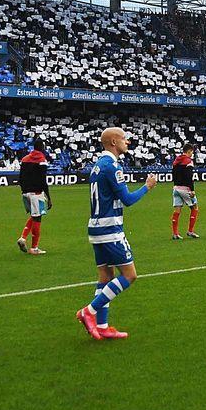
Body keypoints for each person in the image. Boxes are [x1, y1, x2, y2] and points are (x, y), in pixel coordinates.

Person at [75, 127, 158, 340]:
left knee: (105, 276)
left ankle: (102, 326)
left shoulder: (97, 166)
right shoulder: (112, 166)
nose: (127, 142)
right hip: (110, 228)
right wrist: (147, 187)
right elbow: (128, 200)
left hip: (95, 227)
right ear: (113, 141)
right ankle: (89, 311)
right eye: (124, 138)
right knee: (130, 275)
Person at [16, 139, 52, 255]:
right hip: (36, 193)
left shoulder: (25, 159)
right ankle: (34, 248)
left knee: (34, 215)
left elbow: (20, 178)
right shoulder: (42, 160)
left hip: (25, 193)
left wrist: (23, 191)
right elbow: (43, 180)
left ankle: (23, 238)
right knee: (38, 218)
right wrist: (48, 197)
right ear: (42, 147)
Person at [171, 142, 200, 240]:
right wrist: (192, 190)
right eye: (192, 152)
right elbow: (189, 176)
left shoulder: (176, 161)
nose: (192, 154)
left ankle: (175, 233)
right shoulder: (188, 161)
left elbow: (174, 175)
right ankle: (190, 231)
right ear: (189, 151)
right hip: (185, 189)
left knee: (177, 210)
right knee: (195, 208)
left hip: (176, 188)